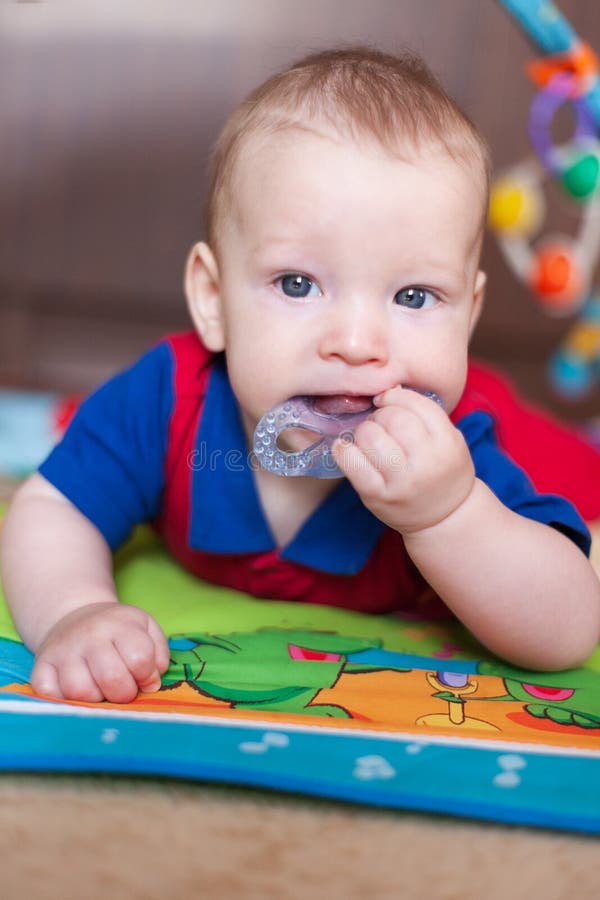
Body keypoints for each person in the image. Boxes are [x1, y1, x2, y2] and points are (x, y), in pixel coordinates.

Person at [1, 47, 599, 704]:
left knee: (577, 478)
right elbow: (55, 506)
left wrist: (450, 516)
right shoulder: (168, 401)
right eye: (297, 283)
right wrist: (73, 611)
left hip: (516, 428)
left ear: (469, 314)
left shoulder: (453, 453)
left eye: (414, 297)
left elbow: (569, 630)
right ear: (213, 299)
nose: (355, 344)